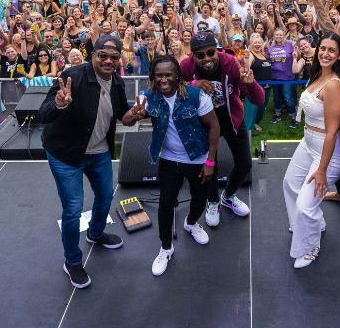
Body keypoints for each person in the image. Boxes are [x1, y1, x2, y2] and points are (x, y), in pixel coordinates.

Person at [38, 35, 130, 289]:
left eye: (114, 57)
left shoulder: (117, 82)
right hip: (66, 155)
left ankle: (95, 232)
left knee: (104, 195)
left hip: (98, 153)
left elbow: (123, 114)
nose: (108, 60)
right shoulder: (72, 77)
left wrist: (136, 113)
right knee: (72, 210)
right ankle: (72, 261)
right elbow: (43, 114)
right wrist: (58, 103)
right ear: (93, 55)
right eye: (103, 55)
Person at [122, 55, 220, 276]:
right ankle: (166, 248)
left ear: (178, 76)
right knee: (166, 204)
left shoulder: (196, 96)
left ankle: (192, 223)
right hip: (168, 160)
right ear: (153, 77)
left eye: (168, 75)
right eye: (159, 76)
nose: (163, 80)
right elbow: (126, 120)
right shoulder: (148, 97)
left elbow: (214, 126)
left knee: (200, 198)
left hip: (197, 158)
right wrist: (135, 115)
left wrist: (210, 161)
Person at [181, 31, 265, 227]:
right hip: (204, 125)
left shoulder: (231, 64)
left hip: (231, 121)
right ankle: (213, 201)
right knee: (210, 168)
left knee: (245, 163)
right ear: (193, 55)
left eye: (210, 52)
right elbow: (174, 85)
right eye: (200, 55)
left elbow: (259, 99)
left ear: (217, 50)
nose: (206, 59)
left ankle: (228, 195)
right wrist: (194, 83)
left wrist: (250, 84)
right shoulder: (186, 66)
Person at [283, 33, 340, 269]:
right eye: (323, 49)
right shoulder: (318, 75)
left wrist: (321, 170)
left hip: (326, 151)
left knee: (305, 204)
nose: (326, 54)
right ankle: (313, 223)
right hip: (307, 142)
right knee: (289, 184)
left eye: (332, 50)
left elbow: (332, 132)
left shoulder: (335, 86)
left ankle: (310, 247)